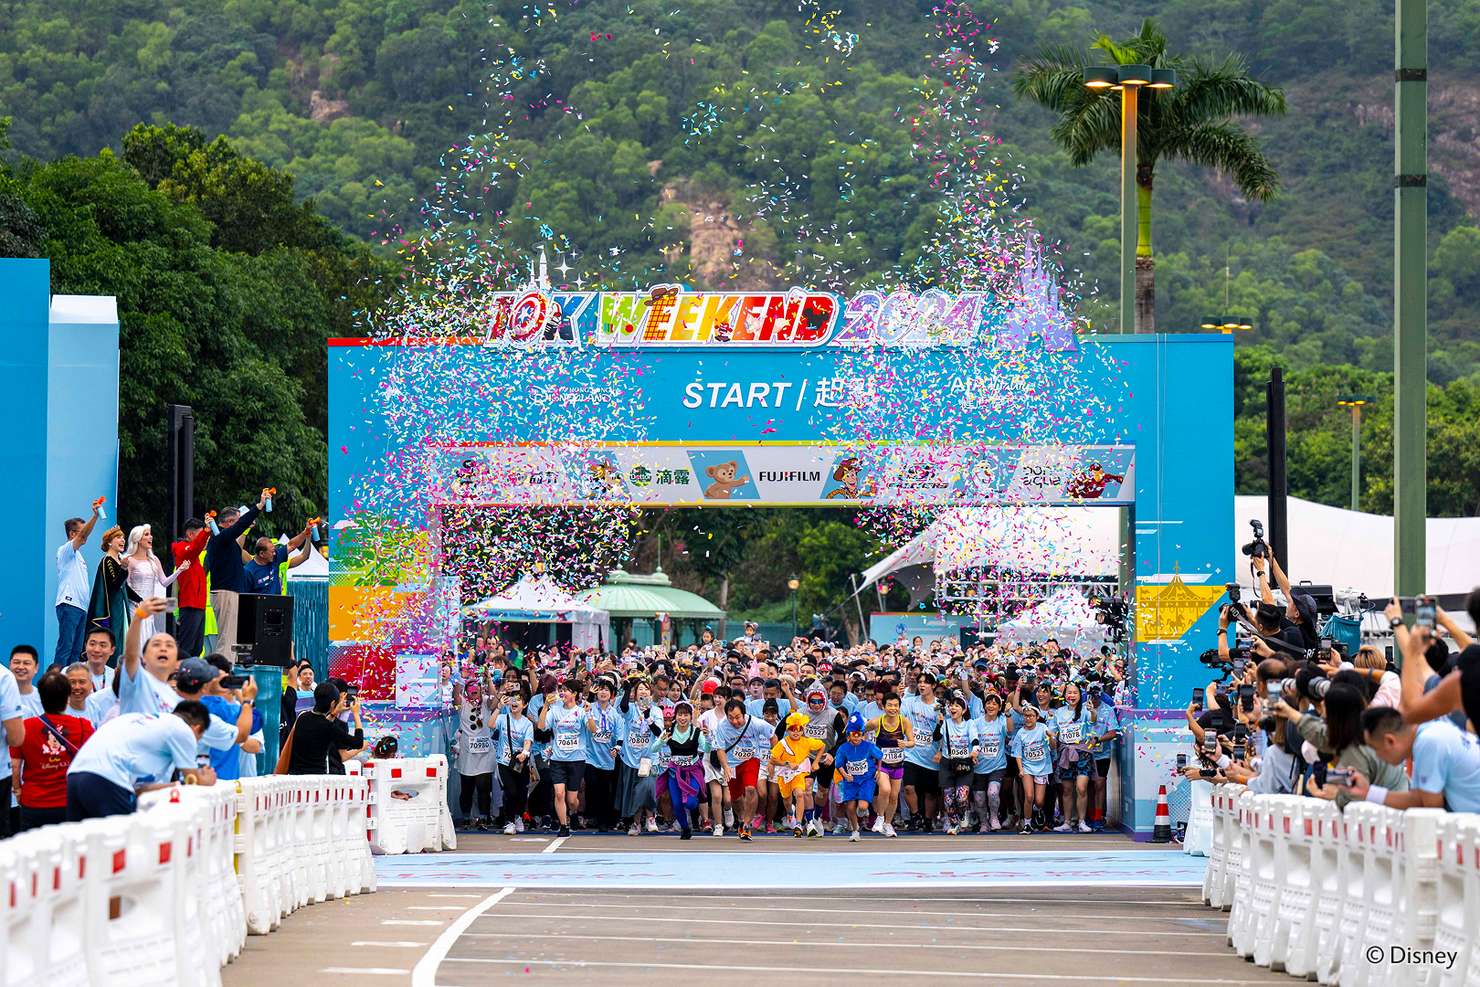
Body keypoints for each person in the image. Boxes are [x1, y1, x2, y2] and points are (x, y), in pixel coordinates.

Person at [66, 702, 216, 820]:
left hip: (75, 775)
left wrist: (178, 784)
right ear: (196, 728)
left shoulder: (138, 720)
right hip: (108, 778)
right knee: (121, 845)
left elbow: (140, 789)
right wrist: (206, 779)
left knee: (81, 849)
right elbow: (194, 780)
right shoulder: (182, 729)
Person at [9, 669, 94, 829]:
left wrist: (18, 791)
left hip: (33, 803)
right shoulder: (84, 726)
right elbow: (93, 765)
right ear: (68, 697)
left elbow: (15, 766)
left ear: (41, 697)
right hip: (70, 802)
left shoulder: (25, 727)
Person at [1353, 705, 1480, 811]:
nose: (1377, 756)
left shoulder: (1428, 741)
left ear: (1389, 741)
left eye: (1375, 749)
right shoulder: (1429, 731)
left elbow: (1431, 810)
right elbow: (1418, 800)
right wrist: (1368, 792)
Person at [205, 489, 271, 655]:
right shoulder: (220, 539)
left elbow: (239, 541)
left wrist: (246, 528)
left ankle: (226, 672)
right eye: (237, 522)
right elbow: (240, 527)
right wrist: (259, 506)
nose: (240, 525)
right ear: (228, 523)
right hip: (225, 592)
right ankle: (223, 675)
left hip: (230, 592)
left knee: (231, 639)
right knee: (226, 640)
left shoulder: (225, 542)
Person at [713, 697, 775, 842]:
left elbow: (773, 737)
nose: (734, 721)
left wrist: (772, 760)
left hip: (751, 760)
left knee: (750, 789)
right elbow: (720, 749)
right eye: (731, 718)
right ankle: (741, 819)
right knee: (735, 798)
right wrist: (726, 766)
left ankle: (747, 824)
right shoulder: (722, 726)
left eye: (738, 717)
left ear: (744, 714)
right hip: (732, 764)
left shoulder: (755, 723)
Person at [539, 678, 590, 837]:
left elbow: (593, 730)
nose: (562, 692)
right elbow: (541, 727)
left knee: (572, 799)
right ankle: (563, 825)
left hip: (576, 759)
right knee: (559, 793)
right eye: (561, 689)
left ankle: (574, 812)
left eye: (566, 690)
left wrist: (590, 715)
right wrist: (546, 706)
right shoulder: (554, 709)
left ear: (574, 694)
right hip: (558, 759)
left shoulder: (581, 711)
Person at [652, 700, 709, 839]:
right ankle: (685, 828)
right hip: (674, 773)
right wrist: (661, 741)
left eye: (686, 715)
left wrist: (708, 738)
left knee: (689, 802)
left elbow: (707, 749)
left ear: (691, 717)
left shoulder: (696, 732)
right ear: (675, 716)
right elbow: (653, 748)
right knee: (677, 804)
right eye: (680, 715)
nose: (682, 718)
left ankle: (696, 811)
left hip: (693, 771)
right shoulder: (668, 731)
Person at [452, 666, 499, 831]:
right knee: (467, 788)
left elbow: (496, 699)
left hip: (485, 753)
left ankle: (484, 818)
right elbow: (455, 697)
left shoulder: (486, 701)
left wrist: (489, 678)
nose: (474, 691)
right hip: (467, 752)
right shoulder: (463, 703)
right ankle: (466, 818)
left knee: (483, 788)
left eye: (476, 689)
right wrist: (461, 679)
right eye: (471, 689)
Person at [123, 524, 189, 642]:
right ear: (137, 539)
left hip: (149, 608)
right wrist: (136, 602)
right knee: (137, 639)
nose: (151, 537)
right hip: (135, 608)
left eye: (150, 534)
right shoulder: (129, 560)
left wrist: (180, 570)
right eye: (147, 534)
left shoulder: (154, 560)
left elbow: (164, 582)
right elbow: (125, 586)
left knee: (147, 639)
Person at [54, 504, 101, 667]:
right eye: (82, 530)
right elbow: (82, 537)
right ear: (72, 533)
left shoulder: (79, 556)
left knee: (75, 652)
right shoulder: (65, 550)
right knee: (65, 648)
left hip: (81, 607)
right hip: (69, 604)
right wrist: (95, 517)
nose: (86, 535)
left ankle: (71, 687)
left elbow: (82, 537)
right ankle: (56, 685)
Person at [285, 682, 365, 774]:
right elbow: (358, 743)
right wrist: (355, 713)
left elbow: (319, 724)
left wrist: (334, 712)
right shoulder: (329, 727)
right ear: (333, 703)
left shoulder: (302, 717)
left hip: (295, 775)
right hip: (315, 778)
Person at [770, 711, 826, 838]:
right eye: (792, 729)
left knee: (800, 794)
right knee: (786, 799)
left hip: (799, 773)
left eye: (799, 729)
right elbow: (773, 759)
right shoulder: (782, 743)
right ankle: (790, 812)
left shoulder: (806, 742)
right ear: (788, 730)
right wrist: (787, 763)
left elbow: (822, 746)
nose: (796, 732)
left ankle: (799, 824)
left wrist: (816, 762)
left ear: (803, 730)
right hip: (784, 774)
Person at [617, 678, 662, 835]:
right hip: (631, 758)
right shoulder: (630, 708)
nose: (643, 691)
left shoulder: (656, 711)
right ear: (635, 694)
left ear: (650, 693)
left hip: (649, 758)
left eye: (646, 689)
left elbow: (659, 733)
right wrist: (627, 689)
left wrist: (648, 717)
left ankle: (651, 818)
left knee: (648, 788)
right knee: (635, 792)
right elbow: (622, 708)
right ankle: (636, 824)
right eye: (640, 689)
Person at [1049, 683, 1095, 833]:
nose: (1072, 695)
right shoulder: (1059, 713)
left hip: (1082, 752)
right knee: (1067, 790)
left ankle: (1082, 821)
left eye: (1075, 692)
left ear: (1080, 695)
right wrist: (1051, 738)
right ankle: (1067, 822)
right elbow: (1052, 732)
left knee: (1081, 788)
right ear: (1064, 695)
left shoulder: (1085, 710)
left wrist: (1093, 711)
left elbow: (1093, 720)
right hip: (1065, 754)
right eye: (1069, 692)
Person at [932, 691, 980, 835]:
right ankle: (954, 823)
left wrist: (975, 751)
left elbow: (975, 740)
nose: (953, 708)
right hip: (948, 763)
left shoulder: (969, 724)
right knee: (948, 798)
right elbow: (936, 738)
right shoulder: (946, 723)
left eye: (957, 706)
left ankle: (965, 812)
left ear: (964, 710)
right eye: (951, 706)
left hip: (965, 762)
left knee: (961, 796)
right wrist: (939, 722)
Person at [866, 692, 913, 837]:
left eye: (896, 705)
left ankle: (888, 824)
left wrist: (906, 743)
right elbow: (860, 730)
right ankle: (879, 818)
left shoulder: (904, 722)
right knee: (885, 790)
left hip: (897, 764)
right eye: (890, 705)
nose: (893, 708)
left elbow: (912, 742)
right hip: (882, 765)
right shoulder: (876, 722)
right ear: (883, 706)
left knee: (894, 796)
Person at [901, 671, 942, 831]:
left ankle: (928, 820)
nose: (922, 685)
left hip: (931, 757)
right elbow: (900, 717)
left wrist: (940, 751)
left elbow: (945, 732)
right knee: (908, 787)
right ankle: (915, 815)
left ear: (933, 685)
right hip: (911, 754)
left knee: (930, 793)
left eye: (926, 682)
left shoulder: (940, 706)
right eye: (920, 682)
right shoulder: (910, 702)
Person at [834, 713, 883, 841]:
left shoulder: (868, 746)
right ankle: (855, 830)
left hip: (866, 780)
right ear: (848, 735)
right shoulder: (843, 748)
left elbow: (880, 757)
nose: (856, 738)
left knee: (862, 806)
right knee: (850, 807)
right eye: (853, 735)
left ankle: (862, 812)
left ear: (863, 735)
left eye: (859, 735)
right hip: (850, 781)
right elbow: (838, 764)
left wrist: (878, 770)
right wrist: (845, 774)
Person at [494, 687, 534, 834]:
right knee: (510, 791)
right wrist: (498, 708)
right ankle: (509, 821)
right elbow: (491, 725)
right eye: (513, 699)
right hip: (503, 762)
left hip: (520, 762)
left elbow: (528, 741)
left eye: (518, 699)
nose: (514, 702)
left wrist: (524, 752)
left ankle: (518, 817)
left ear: (524, 704)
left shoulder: (527, 723)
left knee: (522, 793)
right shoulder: (503, 718)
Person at [971, 691, 1012, 832]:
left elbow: (1010, 732)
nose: (991, 706)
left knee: (993, 793)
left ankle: (994, 817)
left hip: (997, 766)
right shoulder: (975, 723)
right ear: (984, 706)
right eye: (988, 703)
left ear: (999, 707)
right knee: (979, 798)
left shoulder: (1002, 721)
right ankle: (983, 822)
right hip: (978, 767)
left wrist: (1008, 715)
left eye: (995, 703)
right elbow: (971, 740)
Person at [170, 518, 211, 658]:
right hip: (189, 606)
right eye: (201, 535)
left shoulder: (195, 557)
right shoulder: (181, 548)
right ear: (190, 534)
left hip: (198, 606)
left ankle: (191, 677)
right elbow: (194, 548)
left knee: (197, 648)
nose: (205, 540)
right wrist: (207, 531)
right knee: (186, 647)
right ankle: (180, 677)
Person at [85, 525, 134, 642]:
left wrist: (140, 599)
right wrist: (123, 569)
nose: (123, 540)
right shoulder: (108, 561)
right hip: (112, 608)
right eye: (118, 537)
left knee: (123, 638)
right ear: (110, 542)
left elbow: (124, 587)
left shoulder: (118, 560)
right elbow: (114, 585)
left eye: (123, 537)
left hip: (120, 605)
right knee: (116, 638)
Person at [1010, 704, 1054, 833]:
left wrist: (1051, 737)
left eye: (1031, 716)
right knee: (1029, 796)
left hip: (1043, 767)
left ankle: (1038, 810)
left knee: (1039, 801)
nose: (1028, 719)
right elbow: (1017, 753)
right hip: (1027, 767)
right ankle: (1027, 824)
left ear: (1037, 717)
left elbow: (1053, 746)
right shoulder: (1020, 733)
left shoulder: (1043, 728)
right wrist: (1021, 769)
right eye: (1026, 716)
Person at [241, 523, 316, 596]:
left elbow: (292, 545)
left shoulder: (275, 558)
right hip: (258, 607)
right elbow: (238, 549)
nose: (274, 553)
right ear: (262, 554)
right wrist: (245, 528)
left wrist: (306, 532)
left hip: (278, 605)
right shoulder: (248, 571)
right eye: (272, 551)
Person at [9, 646, 41, 718]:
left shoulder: (44, 700)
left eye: (26, 663)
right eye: (16, 662)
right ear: (10, 665)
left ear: (36, 668)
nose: (20, 667)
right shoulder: (2, 695)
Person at [82, 627, 115, 693]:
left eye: (102, 645)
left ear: (112, 650)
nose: (96, 650)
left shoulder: (116, 677)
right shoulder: (69, 673)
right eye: (92, 644)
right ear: (86, 646)